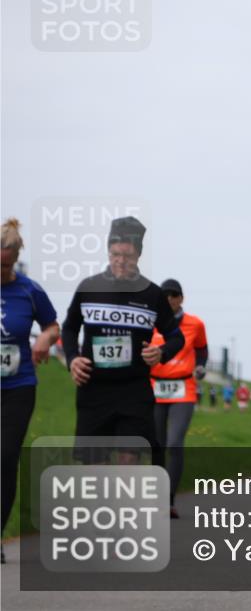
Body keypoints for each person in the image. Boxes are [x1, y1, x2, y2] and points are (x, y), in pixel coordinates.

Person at [62, 216, 185, 467]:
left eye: (127, 256)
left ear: (138, 255)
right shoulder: (89, 287)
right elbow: (70, 328)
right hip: (94, 388)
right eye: (115, 254)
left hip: (134, 390)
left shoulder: (152, 294)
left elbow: (176, 337)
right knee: (95, 468)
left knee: (129, 461)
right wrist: (72, 359)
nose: (120, 261)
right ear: (108, 252)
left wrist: (161, 353)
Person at [1, 219, 60, 565]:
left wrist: (43, 339)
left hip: (17, 386)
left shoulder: (29, 290)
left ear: (16, 260)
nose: (0, 271)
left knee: (5, 457)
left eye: (6, 266)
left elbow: (53, 325)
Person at [148, 278, 208, 520]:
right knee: (158, 445)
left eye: (174, 295)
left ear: (181, 298)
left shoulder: (195, 324)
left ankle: (169, 499)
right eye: (166, 295)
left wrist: (201, 366)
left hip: (184, 387)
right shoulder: (149, 322)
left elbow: (202, 350)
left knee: (174, 443)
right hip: (154, 387)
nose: (170, 299)